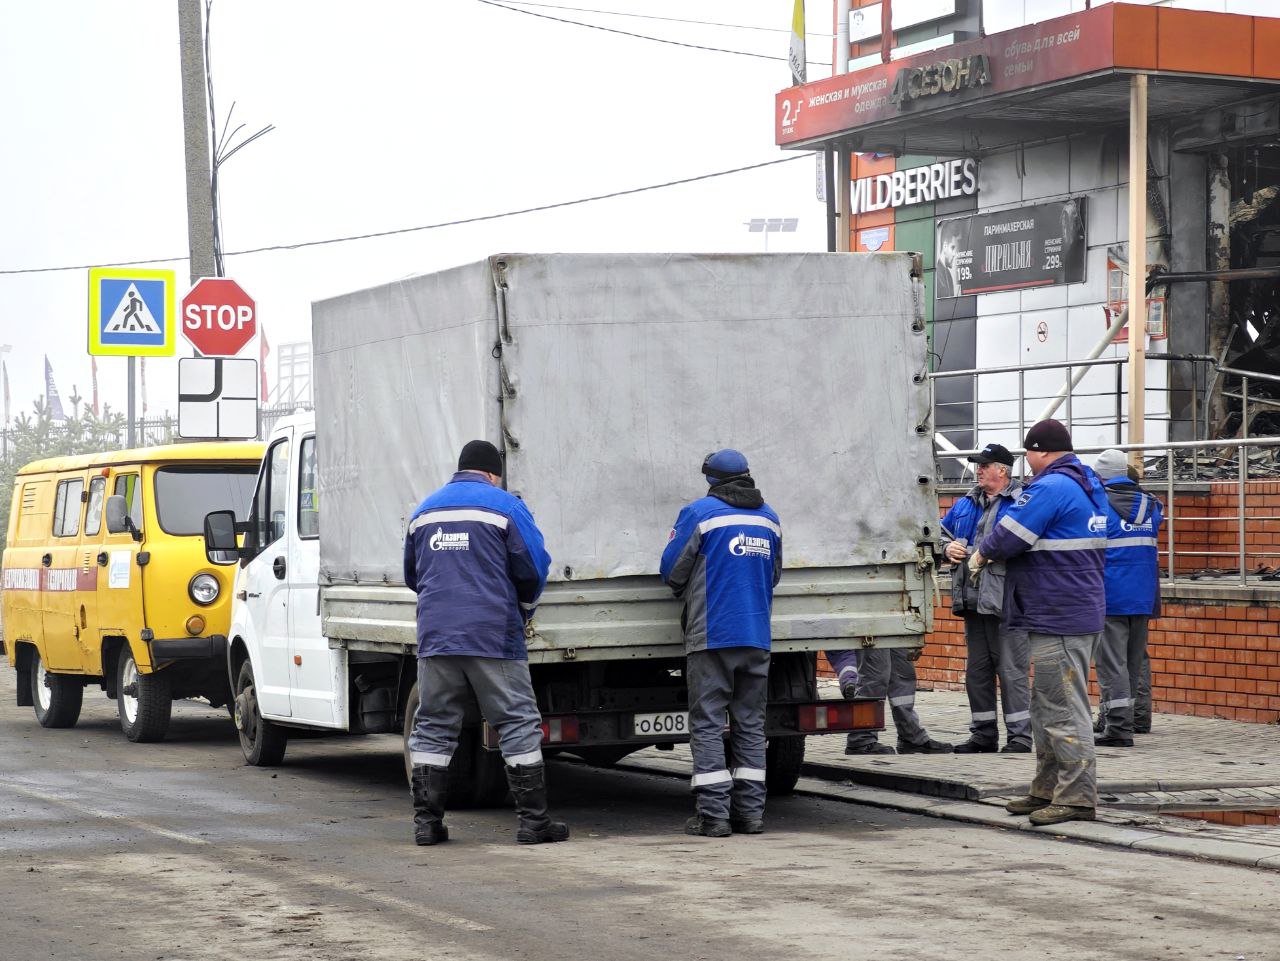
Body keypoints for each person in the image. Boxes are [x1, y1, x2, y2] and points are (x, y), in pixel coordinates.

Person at [403, 440, 568, 846]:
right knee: (516, 723)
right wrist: (525, 606)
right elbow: (532, 566)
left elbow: (412, 575)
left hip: (437, 637)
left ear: (460, 469)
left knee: (433, 727)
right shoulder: (505, 507)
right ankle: (534, 823)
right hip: (492, 635)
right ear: (494, 473)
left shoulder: (424, 511)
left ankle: (428, 825)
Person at [972, 419, 1109, 826]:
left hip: (1058, 612)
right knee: (1047, 707)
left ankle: (1077, 797)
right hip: (1070, 608)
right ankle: (1047, 789)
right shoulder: (1087, 482)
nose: (1025, 463)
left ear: (1042, 451)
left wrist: (982, 554)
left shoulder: (1051, 486)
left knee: (1063, 708)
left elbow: (1008, 535)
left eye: (1027, 454)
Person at [661, 449, 782, 838]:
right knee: (750, 724)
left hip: (712, 635)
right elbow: (774, 575)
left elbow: (672, 569)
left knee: (709, 723)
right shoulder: (770, 519)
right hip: (756, 636)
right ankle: (750, 814)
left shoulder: (701, 514)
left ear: (711, 479)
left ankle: (713, 816)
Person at [939, 442, 1031, 754]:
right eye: (977, 464)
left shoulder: (1022, 501)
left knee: (1011, 671)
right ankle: (983, 735)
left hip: (1007, 602)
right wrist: (945, 548)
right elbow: (939, 533)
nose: (978, 470)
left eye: (984, 465)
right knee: (977, 672)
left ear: (1002, 471)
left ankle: (1019, 737)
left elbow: (1029, 543)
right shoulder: (966, 502)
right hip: (971, 601)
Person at [1091, 449, 1163, 747]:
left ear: (1103, 475)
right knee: (1132, 663)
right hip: (1143, 595)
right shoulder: (1153, 505)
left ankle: (1118, 728)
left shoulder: (1099, 505)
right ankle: (1126, 719)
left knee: (1111, 664)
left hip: (1111, 595)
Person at [841, 647, 953, 755]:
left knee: (903, 674)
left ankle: (911, 737)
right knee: (874, 677)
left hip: (897, 628)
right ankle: (861, 739)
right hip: (874, 630)